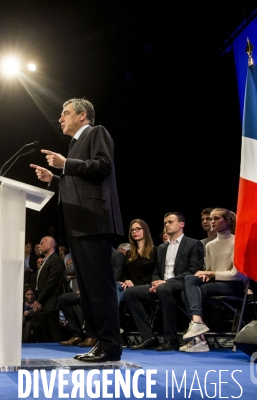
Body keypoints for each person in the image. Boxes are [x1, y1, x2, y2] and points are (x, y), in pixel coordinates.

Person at [30, 98, 123, 362]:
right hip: (78, 225)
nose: (60, 118)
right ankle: (99, 341)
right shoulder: (73, 145)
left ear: (82, 116)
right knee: (89, 287)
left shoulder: (96, 132)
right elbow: (81, 184)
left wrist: (67, 164)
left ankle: (110, 344)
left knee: (100, 286)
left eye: (65, 113)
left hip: (94, 221)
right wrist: (55, 178)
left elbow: (103, 166)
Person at [124, 212, 204, 351]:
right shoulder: (161, 248)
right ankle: (148, 337)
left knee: (163, 289)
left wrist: (166, 282)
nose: (166, 224)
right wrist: (156, 282)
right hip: (162, 284)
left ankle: (170, 339)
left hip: (181, 283)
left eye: (170, 222)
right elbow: (156, 271)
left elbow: (193, 271)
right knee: (130, 293)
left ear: (181, 224)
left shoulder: (193, 243)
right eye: (165, 223)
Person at [180, 208, 247, 352]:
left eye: (216, 218)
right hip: (215, 284)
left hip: (233, 286)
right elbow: (208, 271)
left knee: (190, 291)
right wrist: (205, 274)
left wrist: (211, 273)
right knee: (188, 283)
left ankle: (199, 336)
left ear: (227, 221)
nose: (212, 222)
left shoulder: (237, 241)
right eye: (210, 219)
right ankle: (198, 328)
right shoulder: (210, 245)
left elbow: (238, 275)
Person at [32, 236, 65, 343]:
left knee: (55, 334)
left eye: (42, 243)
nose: (39, 245)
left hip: (51, 302)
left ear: (50, 245)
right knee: (47, 336)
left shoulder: (55, 260)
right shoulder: (47, 260)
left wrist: (40, 300)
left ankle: (60, 356)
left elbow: (50, 283)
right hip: (45, 302)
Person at [118, 219, 156, 304]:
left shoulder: (155, 251)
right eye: (132, 230)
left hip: (146, 286)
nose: (134, 232)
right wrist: (125, 281)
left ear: (145, 230)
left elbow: (154, 273)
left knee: (127, 294)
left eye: (138, 229)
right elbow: (124, 272)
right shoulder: (129, 253)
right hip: (128, 286)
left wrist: (135, 284)